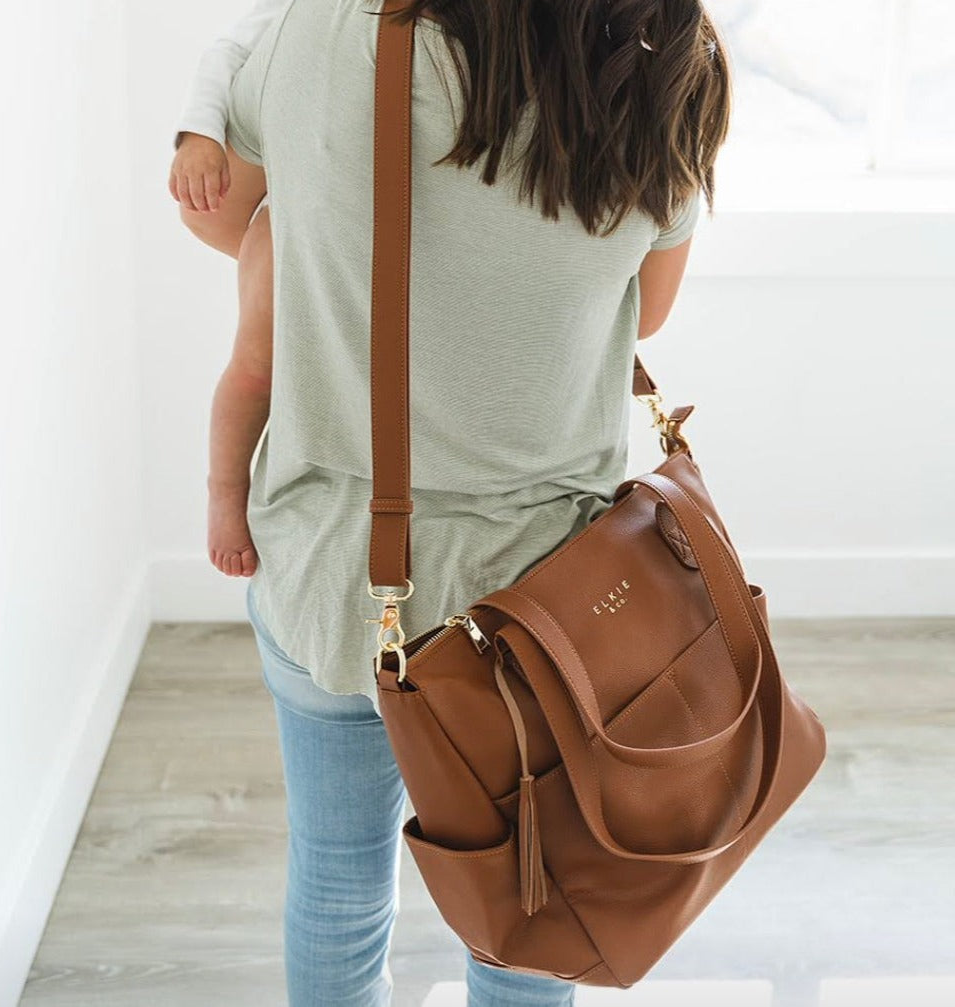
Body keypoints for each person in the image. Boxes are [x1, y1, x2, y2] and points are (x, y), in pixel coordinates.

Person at [169, 2, 730, 1004]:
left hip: (336, 569)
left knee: (337, 876)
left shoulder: (331, 28)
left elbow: (223, 208)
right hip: (549, 604)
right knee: (529, 901)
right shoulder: (662, 55)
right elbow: (639, 309)